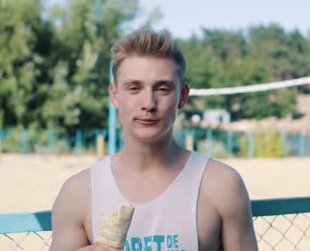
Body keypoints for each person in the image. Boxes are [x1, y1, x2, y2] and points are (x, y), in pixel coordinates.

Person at [50, 30, 258, 251]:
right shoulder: (79, 192)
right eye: (134, 88)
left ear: (183, 96)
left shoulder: (222, 184)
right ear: (114, 95)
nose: (148, 103)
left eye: (162, 88)